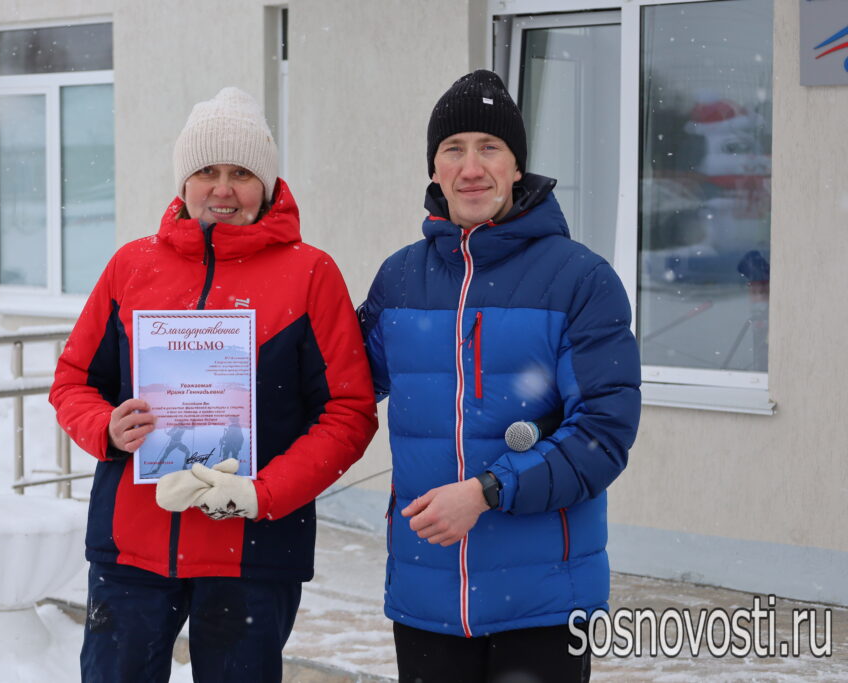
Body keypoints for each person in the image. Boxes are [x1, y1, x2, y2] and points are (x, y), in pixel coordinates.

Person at [50, 87, 377, 683]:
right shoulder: (132, 266)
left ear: (269, 186)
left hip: (251, 555)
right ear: (183, 181)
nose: (222, 189)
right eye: (206, 170)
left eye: (241, 173)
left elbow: (348, 414)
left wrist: (266, 492)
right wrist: (106, 427)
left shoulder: (311, 274)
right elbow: (73, 380)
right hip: (132, 549)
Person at [357, 70, 641, 682]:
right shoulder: (400, 279)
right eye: (453, 150)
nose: (471, 167)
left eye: (490, 148)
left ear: (517, 167)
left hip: (543, 602)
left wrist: (488, 491)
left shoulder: (580, 280)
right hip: (427, 597)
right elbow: (335, 386)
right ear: (434, 170)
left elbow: (604, 434)